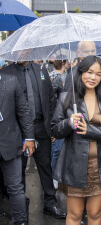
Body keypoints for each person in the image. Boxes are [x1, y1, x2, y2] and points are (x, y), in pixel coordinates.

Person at [51, 55, 101, 225]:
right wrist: (68, 123)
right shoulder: (67, 98)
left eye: (98, 74)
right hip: (74, 165)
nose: (93, 77)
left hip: (100, 166)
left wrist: (89, 130)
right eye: (89, 72)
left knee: (95, 213)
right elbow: (54, 130)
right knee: (74, 214)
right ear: (81, 73)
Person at [1, 61, 66, 219]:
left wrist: (52, 126)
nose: (24, 52)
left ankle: (50, 202)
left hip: (41, 127)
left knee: (45, 166)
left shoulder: (40, 69)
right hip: (17, 131)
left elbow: (51, 99)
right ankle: (20, 204)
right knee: (18, 171)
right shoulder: (7, 72)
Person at [0, 71, 35, 225]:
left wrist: (29, 137)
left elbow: (24, 111)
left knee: (15, 187)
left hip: (10, 143)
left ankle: (20, 221)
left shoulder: (11, 81)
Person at [49, 56, 70, 189]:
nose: (69, 63)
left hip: (67, 115)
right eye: (67, 61)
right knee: (56, 149)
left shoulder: (69, 75)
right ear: (63, 63)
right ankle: (54, 176)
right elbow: (51, 99)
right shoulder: (53, 77)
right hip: (58, 117)